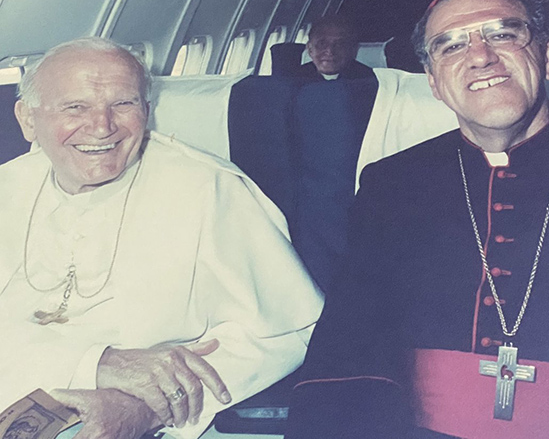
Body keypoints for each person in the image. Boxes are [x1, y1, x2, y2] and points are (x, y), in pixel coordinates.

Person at [285, 0, 549, 439]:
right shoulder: (391, 184)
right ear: (434, 83)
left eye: (503, 34)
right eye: (450, 45)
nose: (479, 56)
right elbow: (351, 338)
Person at [0, 37, 324, 439]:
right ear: (28, 119)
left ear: (147, 111)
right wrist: (96, 362)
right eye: (74, 107)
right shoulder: (7, 187)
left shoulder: (208, 189)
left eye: (124, 104)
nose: (102, 126)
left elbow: (289, 329)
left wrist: (146, 409)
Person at [297, 15, 375, 81]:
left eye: (339, 44)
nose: (329, 51)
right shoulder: (294, 79)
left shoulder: (372, 82)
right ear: (310, 49)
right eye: (322, 44)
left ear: (353, 50)